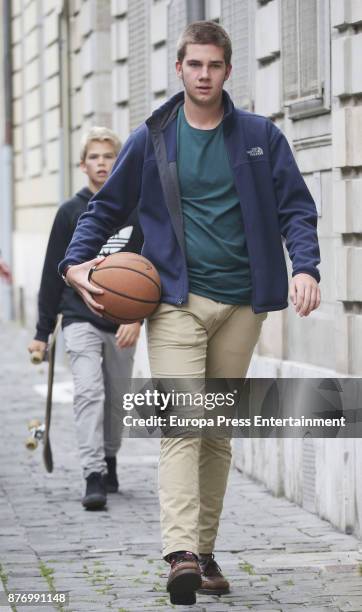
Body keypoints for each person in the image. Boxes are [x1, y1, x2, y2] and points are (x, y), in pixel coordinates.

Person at [58, 22, 321, 605]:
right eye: (194, 65)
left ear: (229, 71)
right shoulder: (152, 138)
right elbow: (106, 210)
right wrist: (74, 264)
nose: (204, 75)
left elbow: (297, 209)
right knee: (183, 424)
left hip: (245, 305)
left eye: (214, 66)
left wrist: (306, 267)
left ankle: (203, 552)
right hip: (175, 301)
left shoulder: (258, 136)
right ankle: (178, 553)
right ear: (179, 68)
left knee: (216, 433)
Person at [28, 127, 143, 511]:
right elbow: (51, 273)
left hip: (123, 320)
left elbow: (151, 269)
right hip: (79, 317)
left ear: (119, 161)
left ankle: (110, 458)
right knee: (89, 392)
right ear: (82, 165)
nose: (101, 163)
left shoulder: (136, 210)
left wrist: (139, 317)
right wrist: (42, 333)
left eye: (108, 156)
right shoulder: (70, 212)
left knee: (116, 397)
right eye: (94, 157)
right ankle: (92, 474)